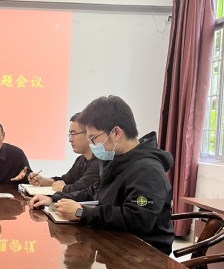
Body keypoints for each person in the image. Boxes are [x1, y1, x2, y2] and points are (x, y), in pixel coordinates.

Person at [29, 96, 174, 255]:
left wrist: (81, 212)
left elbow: (137, 219)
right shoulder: (117, 159)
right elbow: (93, 190)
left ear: (116, 132)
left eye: (93, 138)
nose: (92, 145)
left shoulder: (147, 170)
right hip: (114, 245)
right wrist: (54, 199)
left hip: (143, 256)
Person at [28, 112, 100, 193]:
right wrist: (43, 180)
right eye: (69, 134)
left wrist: (63, 188)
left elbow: (79, 188)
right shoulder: (81, 160)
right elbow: (66, 180)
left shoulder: (99, 162)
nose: (70, 139)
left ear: (89, 134)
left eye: (73, 134)